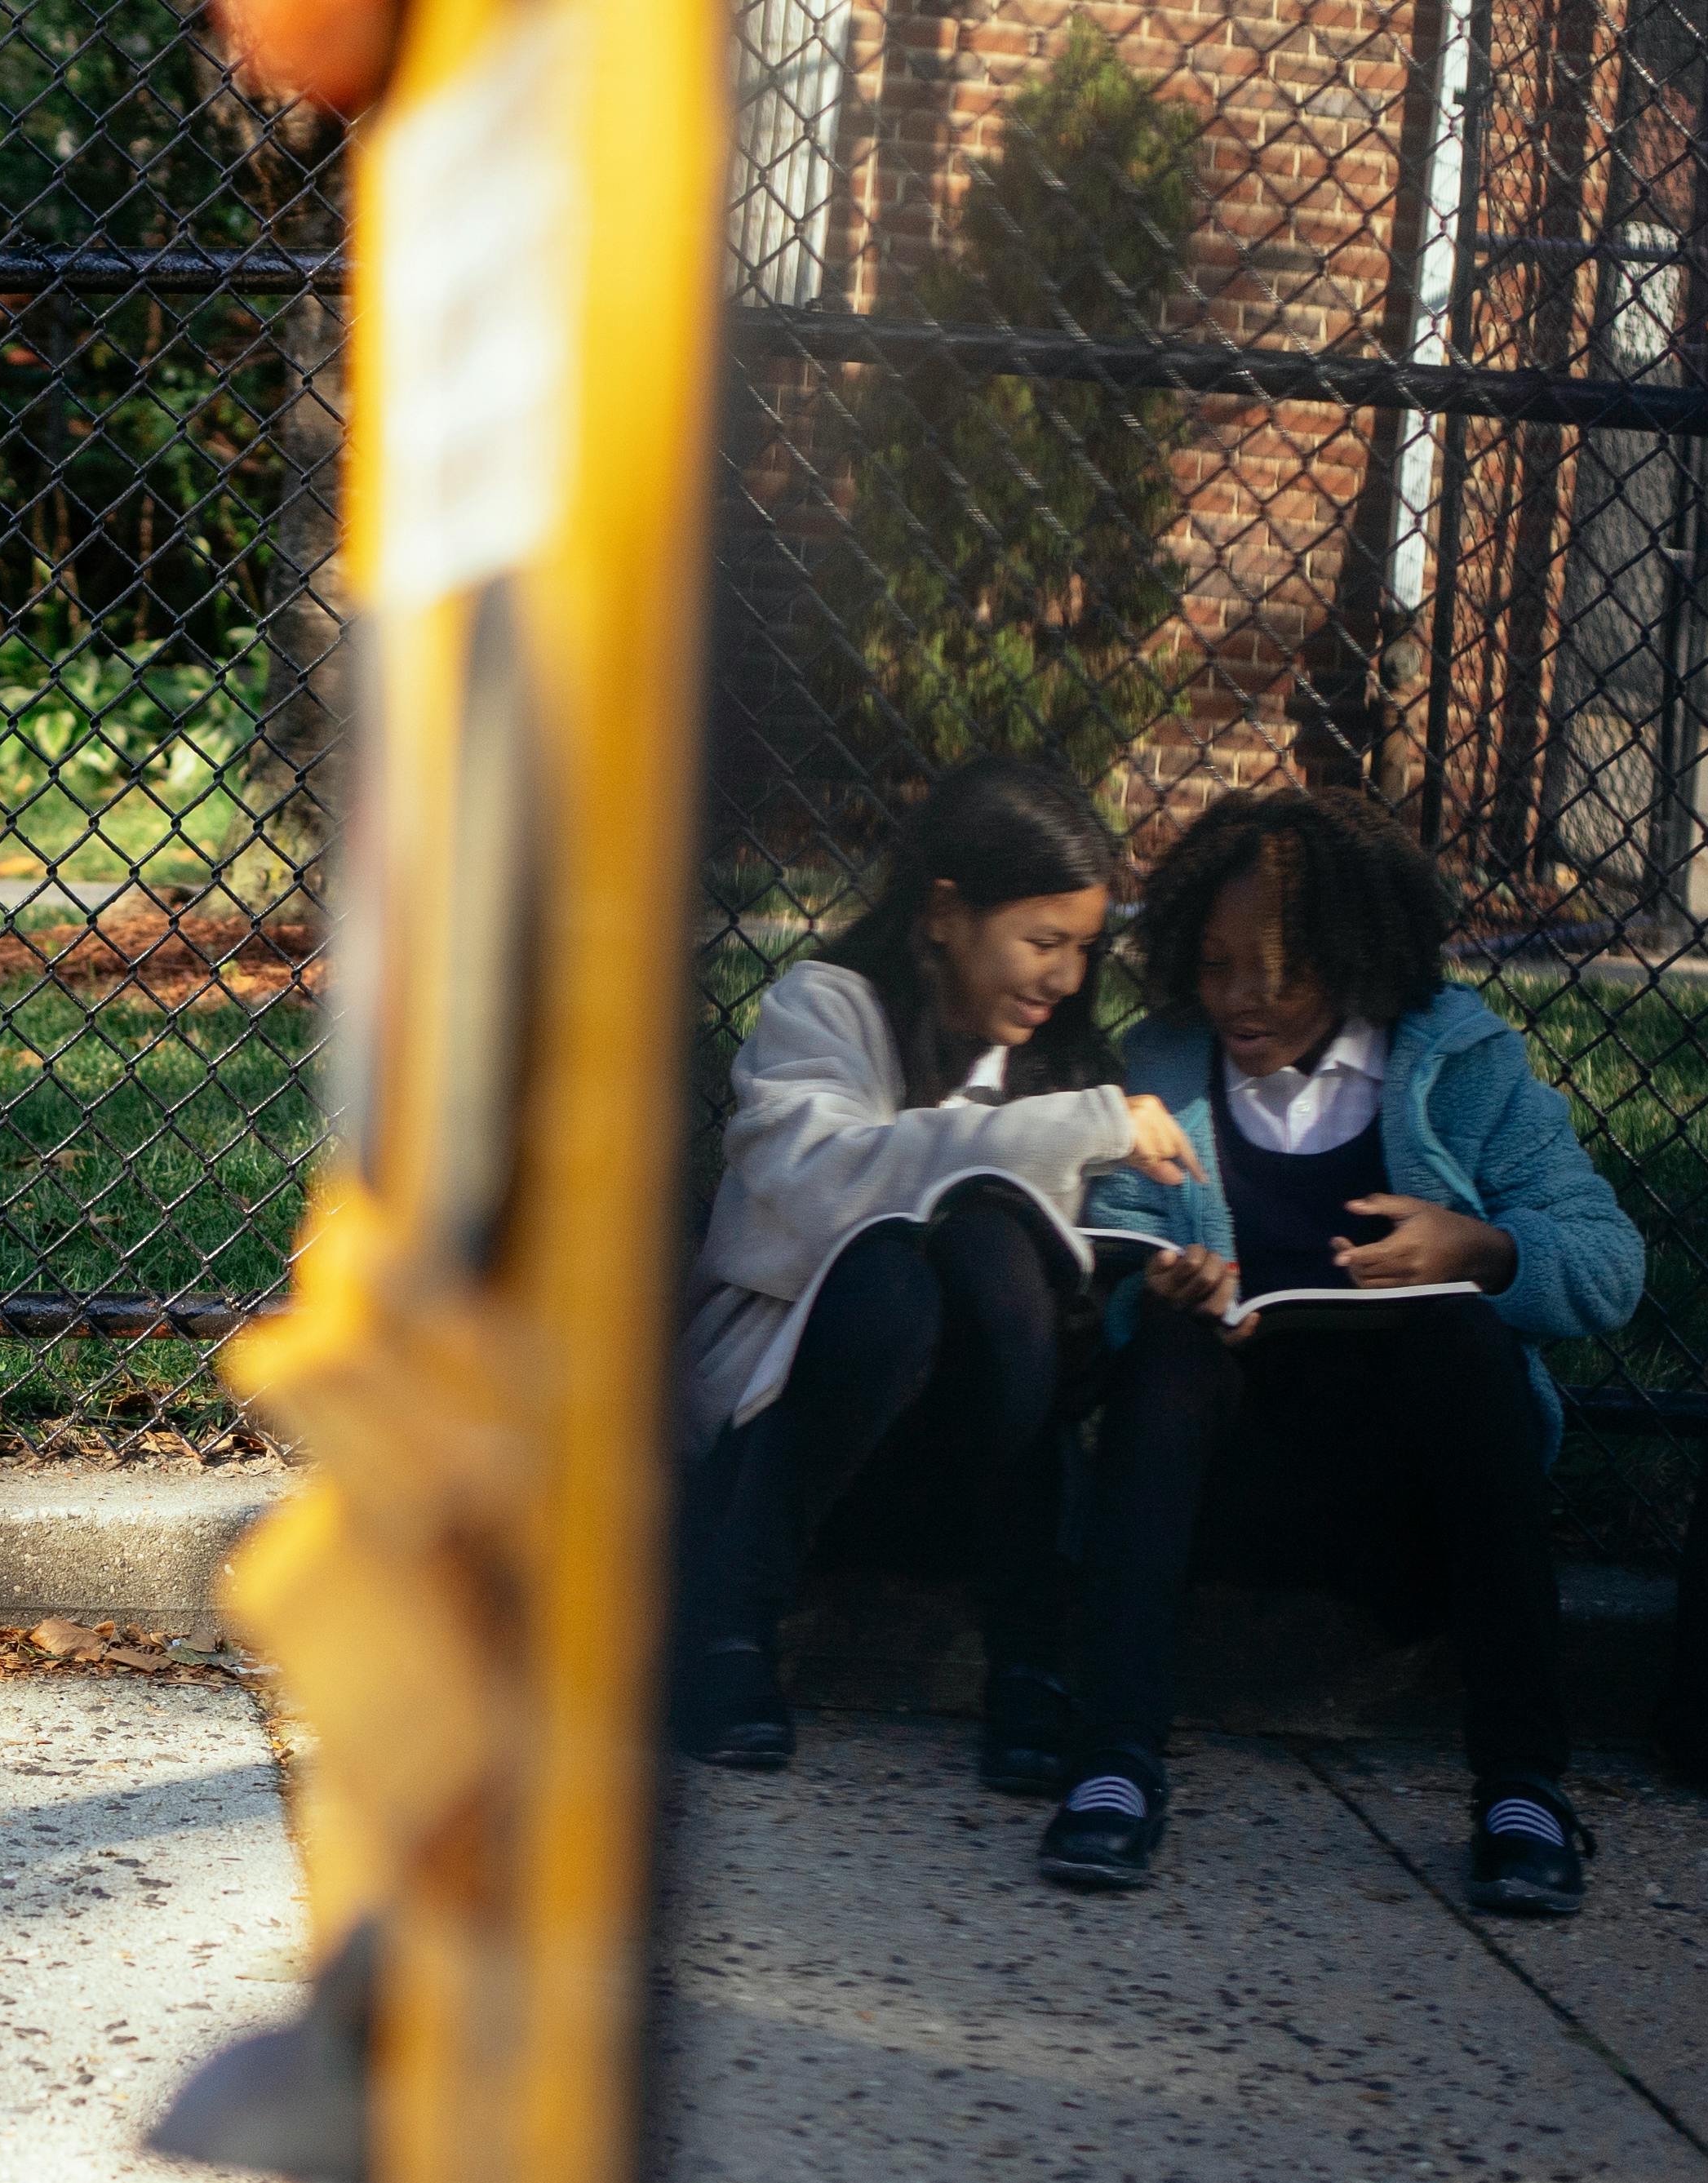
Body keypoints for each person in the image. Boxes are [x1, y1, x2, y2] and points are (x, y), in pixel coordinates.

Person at [1040, 786, 1645, 1912]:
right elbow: (1114, 1242)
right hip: (1224, 1497)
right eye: (1214, 965)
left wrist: (1487, 1249)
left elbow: (1611, 1263)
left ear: (1357, 956)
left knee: (1466, 1333)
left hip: (1408, 1507)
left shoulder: (1459, 1068)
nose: (1240, 999)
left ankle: (1523, 1788)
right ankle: (1113, 1764)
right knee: (1169, 1354)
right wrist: (1160, 1288)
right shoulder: (1167, 1064)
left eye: (1278, 969)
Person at [667, 757, 1198, 1776]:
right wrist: (1071, 1131)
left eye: (1085, 948)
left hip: (970, 1464)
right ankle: (727, 1631)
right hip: (791, 1440)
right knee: (894, 1274)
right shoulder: (823, 1012)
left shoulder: (1069, 1070)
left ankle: (1028, 1659)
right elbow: (823, 1179)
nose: (1067, 979)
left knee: (998, 1247)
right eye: (1043, 942)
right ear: (947, 911)